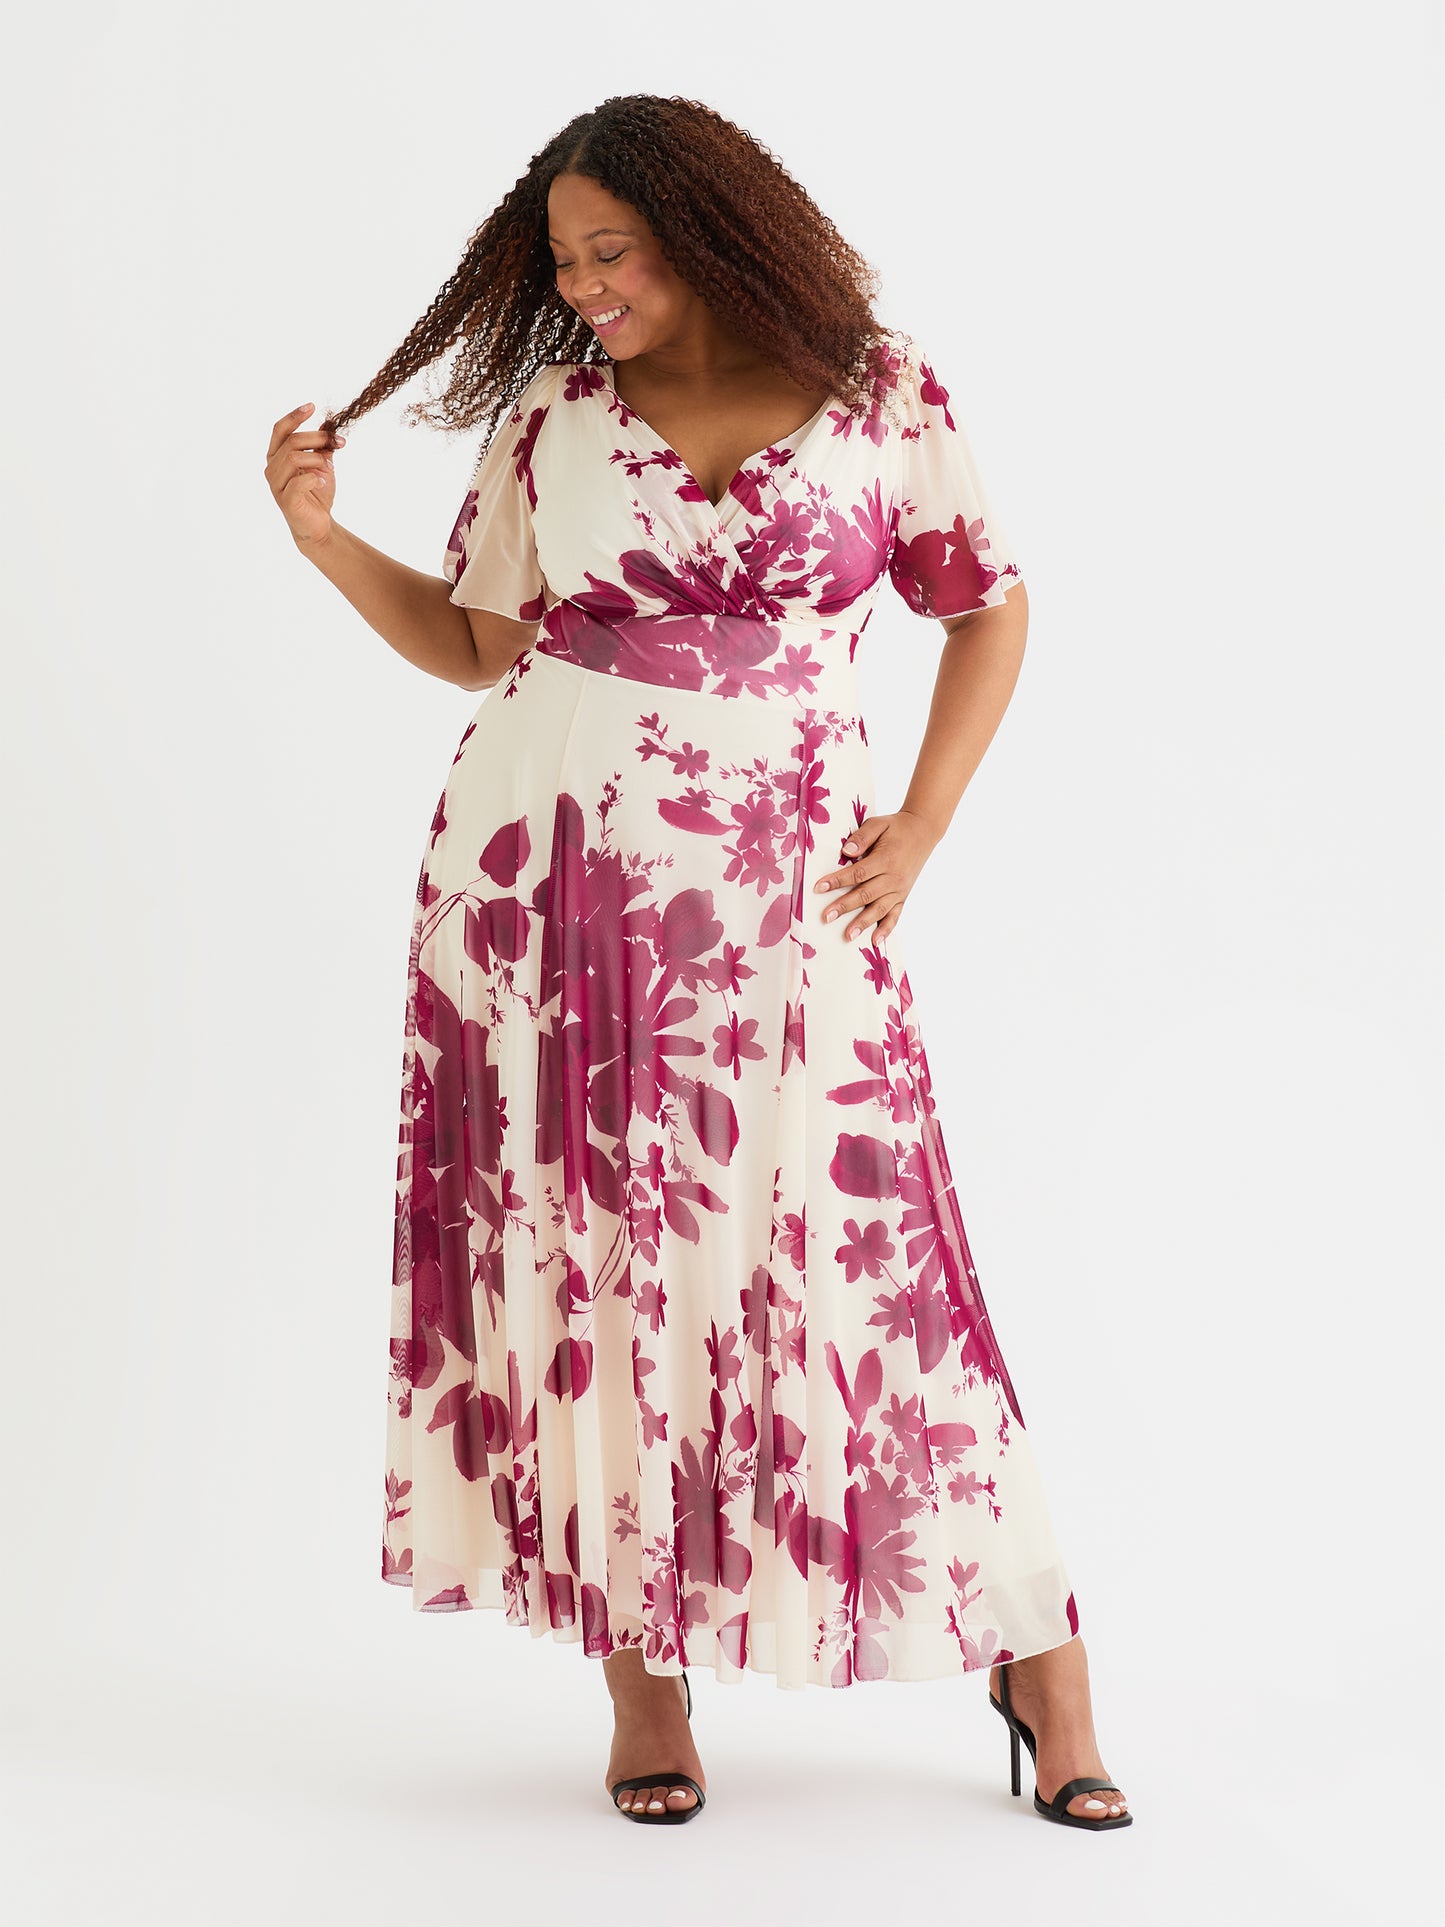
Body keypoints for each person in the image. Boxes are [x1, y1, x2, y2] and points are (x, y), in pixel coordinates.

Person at [265, 93, 1132, 1833]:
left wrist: (923, 822)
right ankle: (640, 1680)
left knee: (879, 1268)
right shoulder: (551, 419)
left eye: (614, 251)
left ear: (714, 233)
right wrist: (324, 541)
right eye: (562, 260)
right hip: (550, 897)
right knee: (603, 1269)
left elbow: (985, 603)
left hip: (800, 901)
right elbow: (477, 644)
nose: (584, 286)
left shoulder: (880, 392)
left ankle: (1038, 1662)